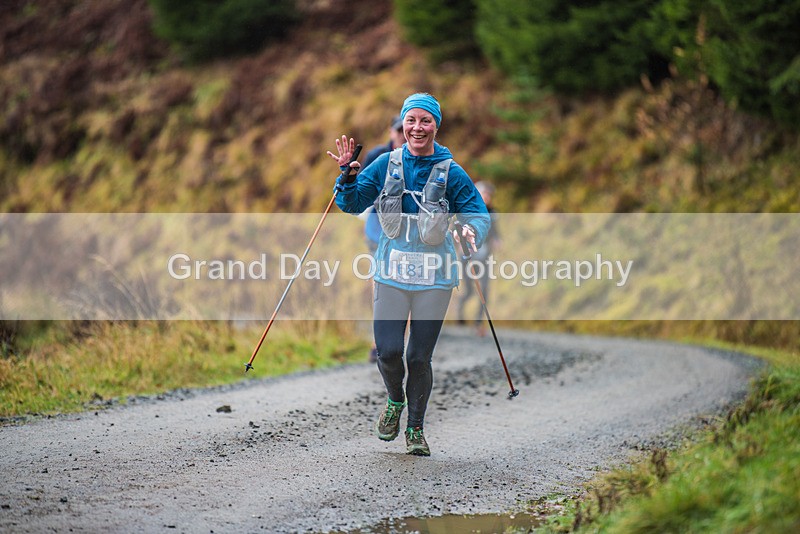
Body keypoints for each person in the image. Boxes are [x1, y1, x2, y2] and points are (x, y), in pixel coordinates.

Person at [327, 93, 491, 456]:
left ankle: (415, 429)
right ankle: (395, 402)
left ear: (436, 125)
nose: (417, 128)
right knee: (387, 351)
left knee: (418, 357)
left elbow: (479, 214)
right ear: (403, 126)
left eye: (425, 121)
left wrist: (470, 232)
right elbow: (352, 203)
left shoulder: (452, 171)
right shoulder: (386, 164)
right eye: (410, 121)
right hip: (391, 271)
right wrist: (347, 177)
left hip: (435, 276)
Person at [361, 115, 405, 363]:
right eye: (398, 131)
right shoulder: (378, 156)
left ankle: (398, 342)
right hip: (378, 229)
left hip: (407, 233)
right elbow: (361, 190)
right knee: (380, 283)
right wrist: (347, 178)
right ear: (391, 132)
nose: (401, 136)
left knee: (406, 283)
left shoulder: (417, 158)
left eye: (404, 131)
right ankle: (378, 343)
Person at [457, 180, 500, 337]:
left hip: (485, 256)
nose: (487, 197)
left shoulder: (492, 212)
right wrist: (461, 245)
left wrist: (497, 240)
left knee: (485, 289)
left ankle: (478, 322)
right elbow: (456, 228)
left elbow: (495, 231)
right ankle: (460, 313)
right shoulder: (467, 209)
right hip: (468, 255)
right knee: (469, 290)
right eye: (484, 193)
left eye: (489, 194)